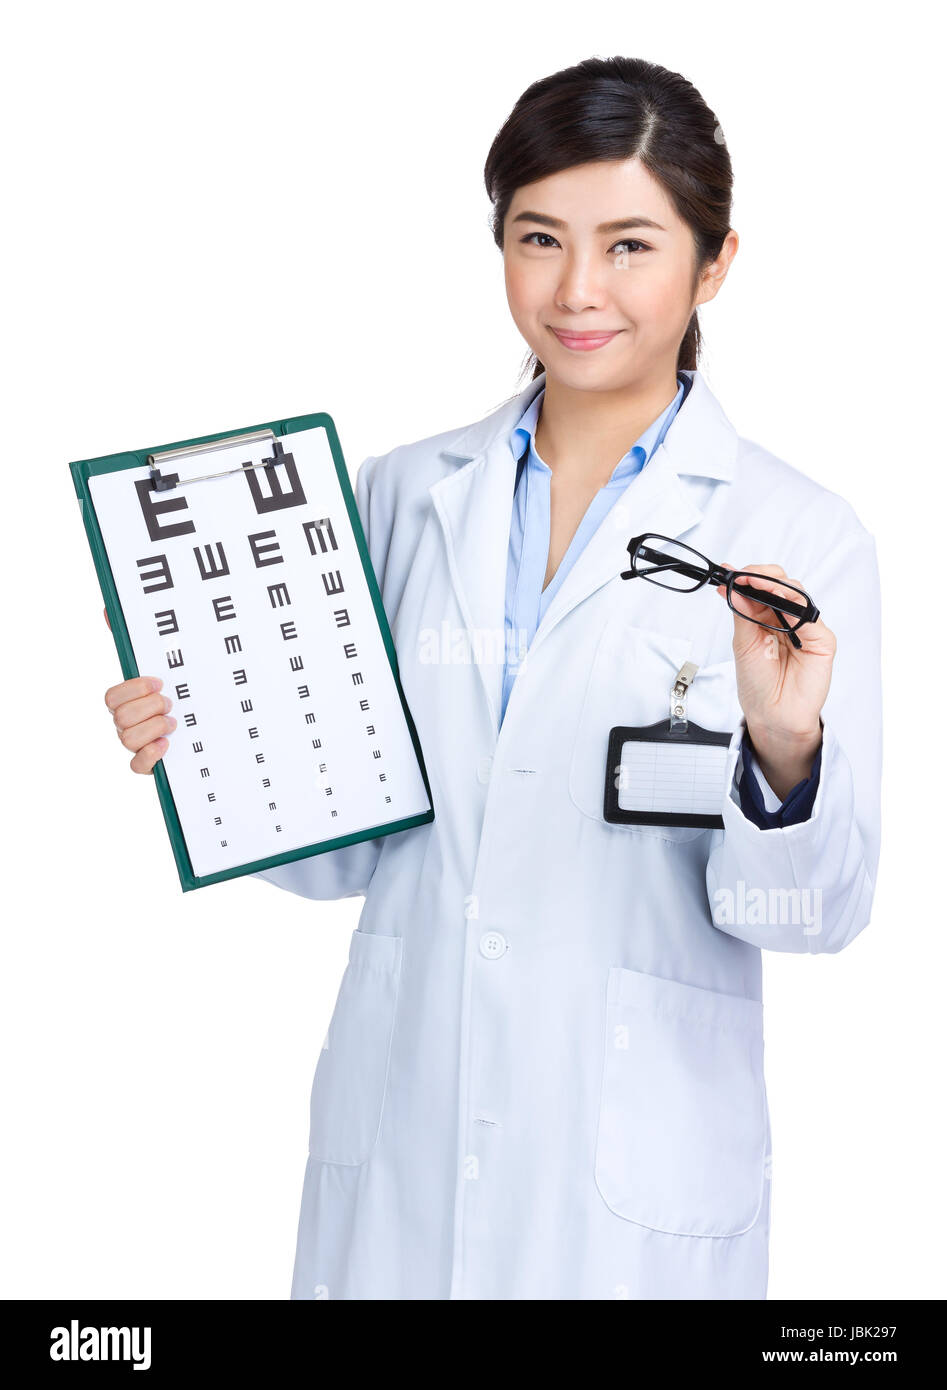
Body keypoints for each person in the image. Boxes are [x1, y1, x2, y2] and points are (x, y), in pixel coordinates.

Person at [102, 56, 881, 1300]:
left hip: (630, 1198)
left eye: (629, 244)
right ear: (499, 244)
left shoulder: (795, 531)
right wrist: (210, 737)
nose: (577, 290)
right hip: (402, 1150)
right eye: (538, 238)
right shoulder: (405, 495)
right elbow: (344, 858)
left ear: (714, 261)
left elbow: (807, 914)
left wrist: (783, 755)